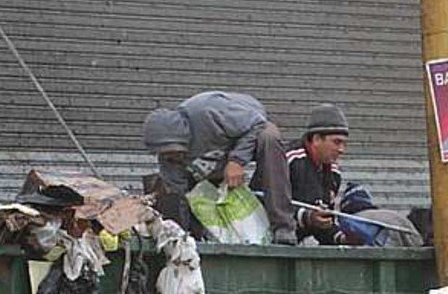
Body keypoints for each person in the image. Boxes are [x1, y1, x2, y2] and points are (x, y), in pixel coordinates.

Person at [142, 92, 296, 245]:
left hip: (245, 135)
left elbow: (257, 124)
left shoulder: (209, 112)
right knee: (171, 191)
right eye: (166, 154)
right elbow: (180, 196)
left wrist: (237, 160)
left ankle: (283, 227)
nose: (173, 158)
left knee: (269, 137)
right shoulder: (169, 161)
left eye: (174, 151)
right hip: (213, 163)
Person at [286, 104, 348, 244]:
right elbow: (265, 202)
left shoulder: (334, 174)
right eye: (337, 142)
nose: (341, 150)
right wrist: (307, 217)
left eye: (345, 144)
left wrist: (342, 238)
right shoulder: (288, 160)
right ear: (316, 139)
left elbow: (324, 223)